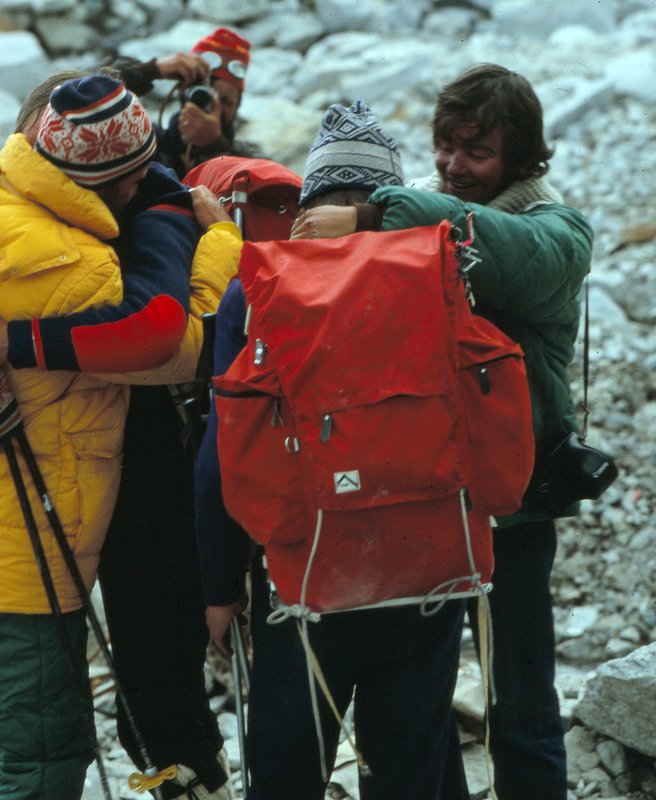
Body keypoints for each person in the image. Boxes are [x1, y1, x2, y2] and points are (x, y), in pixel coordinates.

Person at [290, 64, 594, 800]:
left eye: (476, 152)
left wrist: (371, 215)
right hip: (426, 505)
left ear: (521, 159)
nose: (454, 166)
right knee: (416, 705)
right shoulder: (426, 221)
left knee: (518, 700)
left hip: (511, 510)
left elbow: (504, 253)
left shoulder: (558, 232)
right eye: (444, 147)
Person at [0, 74, 188, 799]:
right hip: (17, 555)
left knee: (17, 729)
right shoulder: (76, 268)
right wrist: (200, 233)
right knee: (49, 755)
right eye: (138, 175)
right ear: (112, 180)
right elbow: (175, 345)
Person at [0, 71, 240, 800]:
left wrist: (12, 342)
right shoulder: (33, 218)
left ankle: (183, 785)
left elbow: (161, 335)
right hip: (69, 473)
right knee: (36, 708)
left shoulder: (153, 212)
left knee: (152, 681)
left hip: (148, 475)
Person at [193, 101, 469, 800]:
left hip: (308, 576)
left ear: (308, 204)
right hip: (430, 569)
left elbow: (223, 453)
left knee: (287, 775)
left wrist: (221, 589)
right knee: (411, 771)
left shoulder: (257, 295)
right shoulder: (441, 275)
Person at [111, 27, 258, 179]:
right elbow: (91, 97)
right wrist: (151, 71)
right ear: (182, 92)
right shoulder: (149, 143)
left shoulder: (249, 163)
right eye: (204, 96)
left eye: (226, 101)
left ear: (238, 106)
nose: (215, 108)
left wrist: (214, 149)